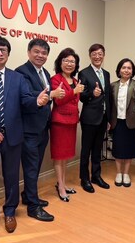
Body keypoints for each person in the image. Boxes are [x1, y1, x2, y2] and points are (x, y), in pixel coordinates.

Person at [0, 35, 48, 235]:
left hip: (13, 137)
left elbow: (25, 100)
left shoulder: (17, 77)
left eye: (4, 50)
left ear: (8, 54)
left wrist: (37, 101)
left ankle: (10, 211)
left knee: (12, 176)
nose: (0, 53)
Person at [15, 38, 64, 222]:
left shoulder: (44, 72)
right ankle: (33, 208)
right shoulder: (22, 72)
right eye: (36, 52)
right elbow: (26, 96)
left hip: (43, 127)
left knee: (34, 166)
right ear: (29, 52)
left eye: (44, 53)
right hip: (29, 130)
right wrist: (50, 95)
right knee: (31, 166)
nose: (40, 55)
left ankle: (28, 196)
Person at [50, 48, 84, 202]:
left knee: (66, 156)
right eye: (66, 60)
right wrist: (74, 91)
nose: (69, 64)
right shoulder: (56, 79)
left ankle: (61, 183)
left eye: (72, 61)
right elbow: (58, 100)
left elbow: (74, 101)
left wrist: (75, 91)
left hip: (72, 122)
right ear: (60, 62)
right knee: (59, 156)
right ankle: (61, 187)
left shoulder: (76, 81)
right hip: (59, 123)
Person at [78, 43, 111, 193]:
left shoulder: (106, 73)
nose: (97, 57)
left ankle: (96, 176)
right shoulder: (84, 73)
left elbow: (108, 97)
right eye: (94, 54)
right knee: (86, 150)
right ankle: (84, 178)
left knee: (98, 149)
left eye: (100, 54)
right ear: (90, 56)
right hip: (89, 118)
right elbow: (81, 97)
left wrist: (109, 119)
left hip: (103, 118)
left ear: (104, 55)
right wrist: (92, 94)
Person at [110, 58, 135, 187]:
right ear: (119, 70)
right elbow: (110, 105)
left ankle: (126, 173)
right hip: (117, 121)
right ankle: (119, 173)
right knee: (118, 148)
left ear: (132, 70)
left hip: (131, 121)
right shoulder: (113, 85)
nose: (126, 70)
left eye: (129, 68)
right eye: (124, 67)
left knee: (129, 148)